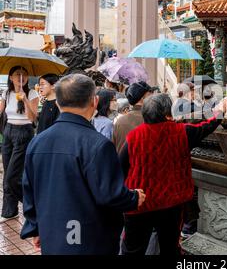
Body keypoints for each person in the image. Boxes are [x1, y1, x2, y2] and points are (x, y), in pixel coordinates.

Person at [20, 74, 146, 255]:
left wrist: (35, 227)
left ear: (57, 103)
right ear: (94, 101)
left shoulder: (38, 142)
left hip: (52, 231)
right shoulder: (98, 144)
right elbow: (110, 194)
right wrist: (134, 197)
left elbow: (29, 191)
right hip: (89, 237)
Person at [119, 93, 227, 255]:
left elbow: (120, 168)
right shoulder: (182, 132)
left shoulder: (134, 136)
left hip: (139, 203)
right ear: (168, 113)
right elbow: (207, 127)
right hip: (171, 203)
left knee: (133, 249)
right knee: (170, 247)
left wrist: (126, 196)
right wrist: (220, 111)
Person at [0, 66, 39, 222]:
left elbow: (32, 118)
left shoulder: (32, 93)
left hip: (24, 132)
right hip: (8, 132)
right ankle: (9, 211)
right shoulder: (7, 93)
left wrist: (25, 100)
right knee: (7, 176)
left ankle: (33, 206)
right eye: (17, 74)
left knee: (11, 176)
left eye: (23, 75)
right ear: (11, 77)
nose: (20, 77)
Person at [112, 82, 156, 154]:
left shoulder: (119, 121)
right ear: (142, 99)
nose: (153, 99)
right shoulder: (151, 119)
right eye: (150, 96)